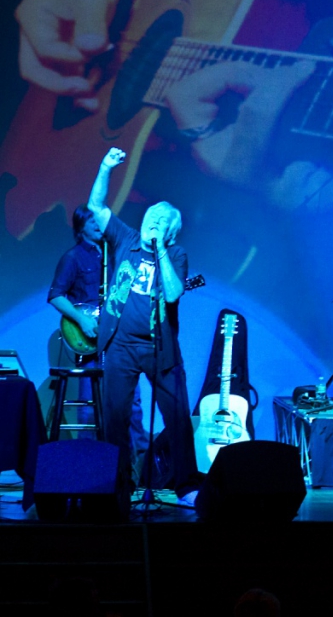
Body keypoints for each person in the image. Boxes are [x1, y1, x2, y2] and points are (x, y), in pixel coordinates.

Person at [87, 146, 200, 504]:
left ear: (172, 231)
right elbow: (96, 207)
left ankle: (185, 485)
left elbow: (172, 294)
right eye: (151, 216)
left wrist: (162, 250)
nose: (153, 221)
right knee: (116, 418)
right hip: (120, 345)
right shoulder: (126, 240)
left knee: (178, 415)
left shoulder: (176, 255)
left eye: (161, 220)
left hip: (159, 347)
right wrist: (105, 167)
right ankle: (116, 486)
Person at [47, 204, 147, 456]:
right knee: (89, 405)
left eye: (100, 221)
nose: (98, 225)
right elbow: (56, 296)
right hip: (90, 340)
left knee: (132, 403)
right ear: (81, 227)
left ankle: (141, 469)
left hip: (118, 339)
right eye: (92, 221)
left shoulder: (117, 255)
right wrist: (82, 320)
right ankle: (89, 467)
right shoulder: (73, 257)